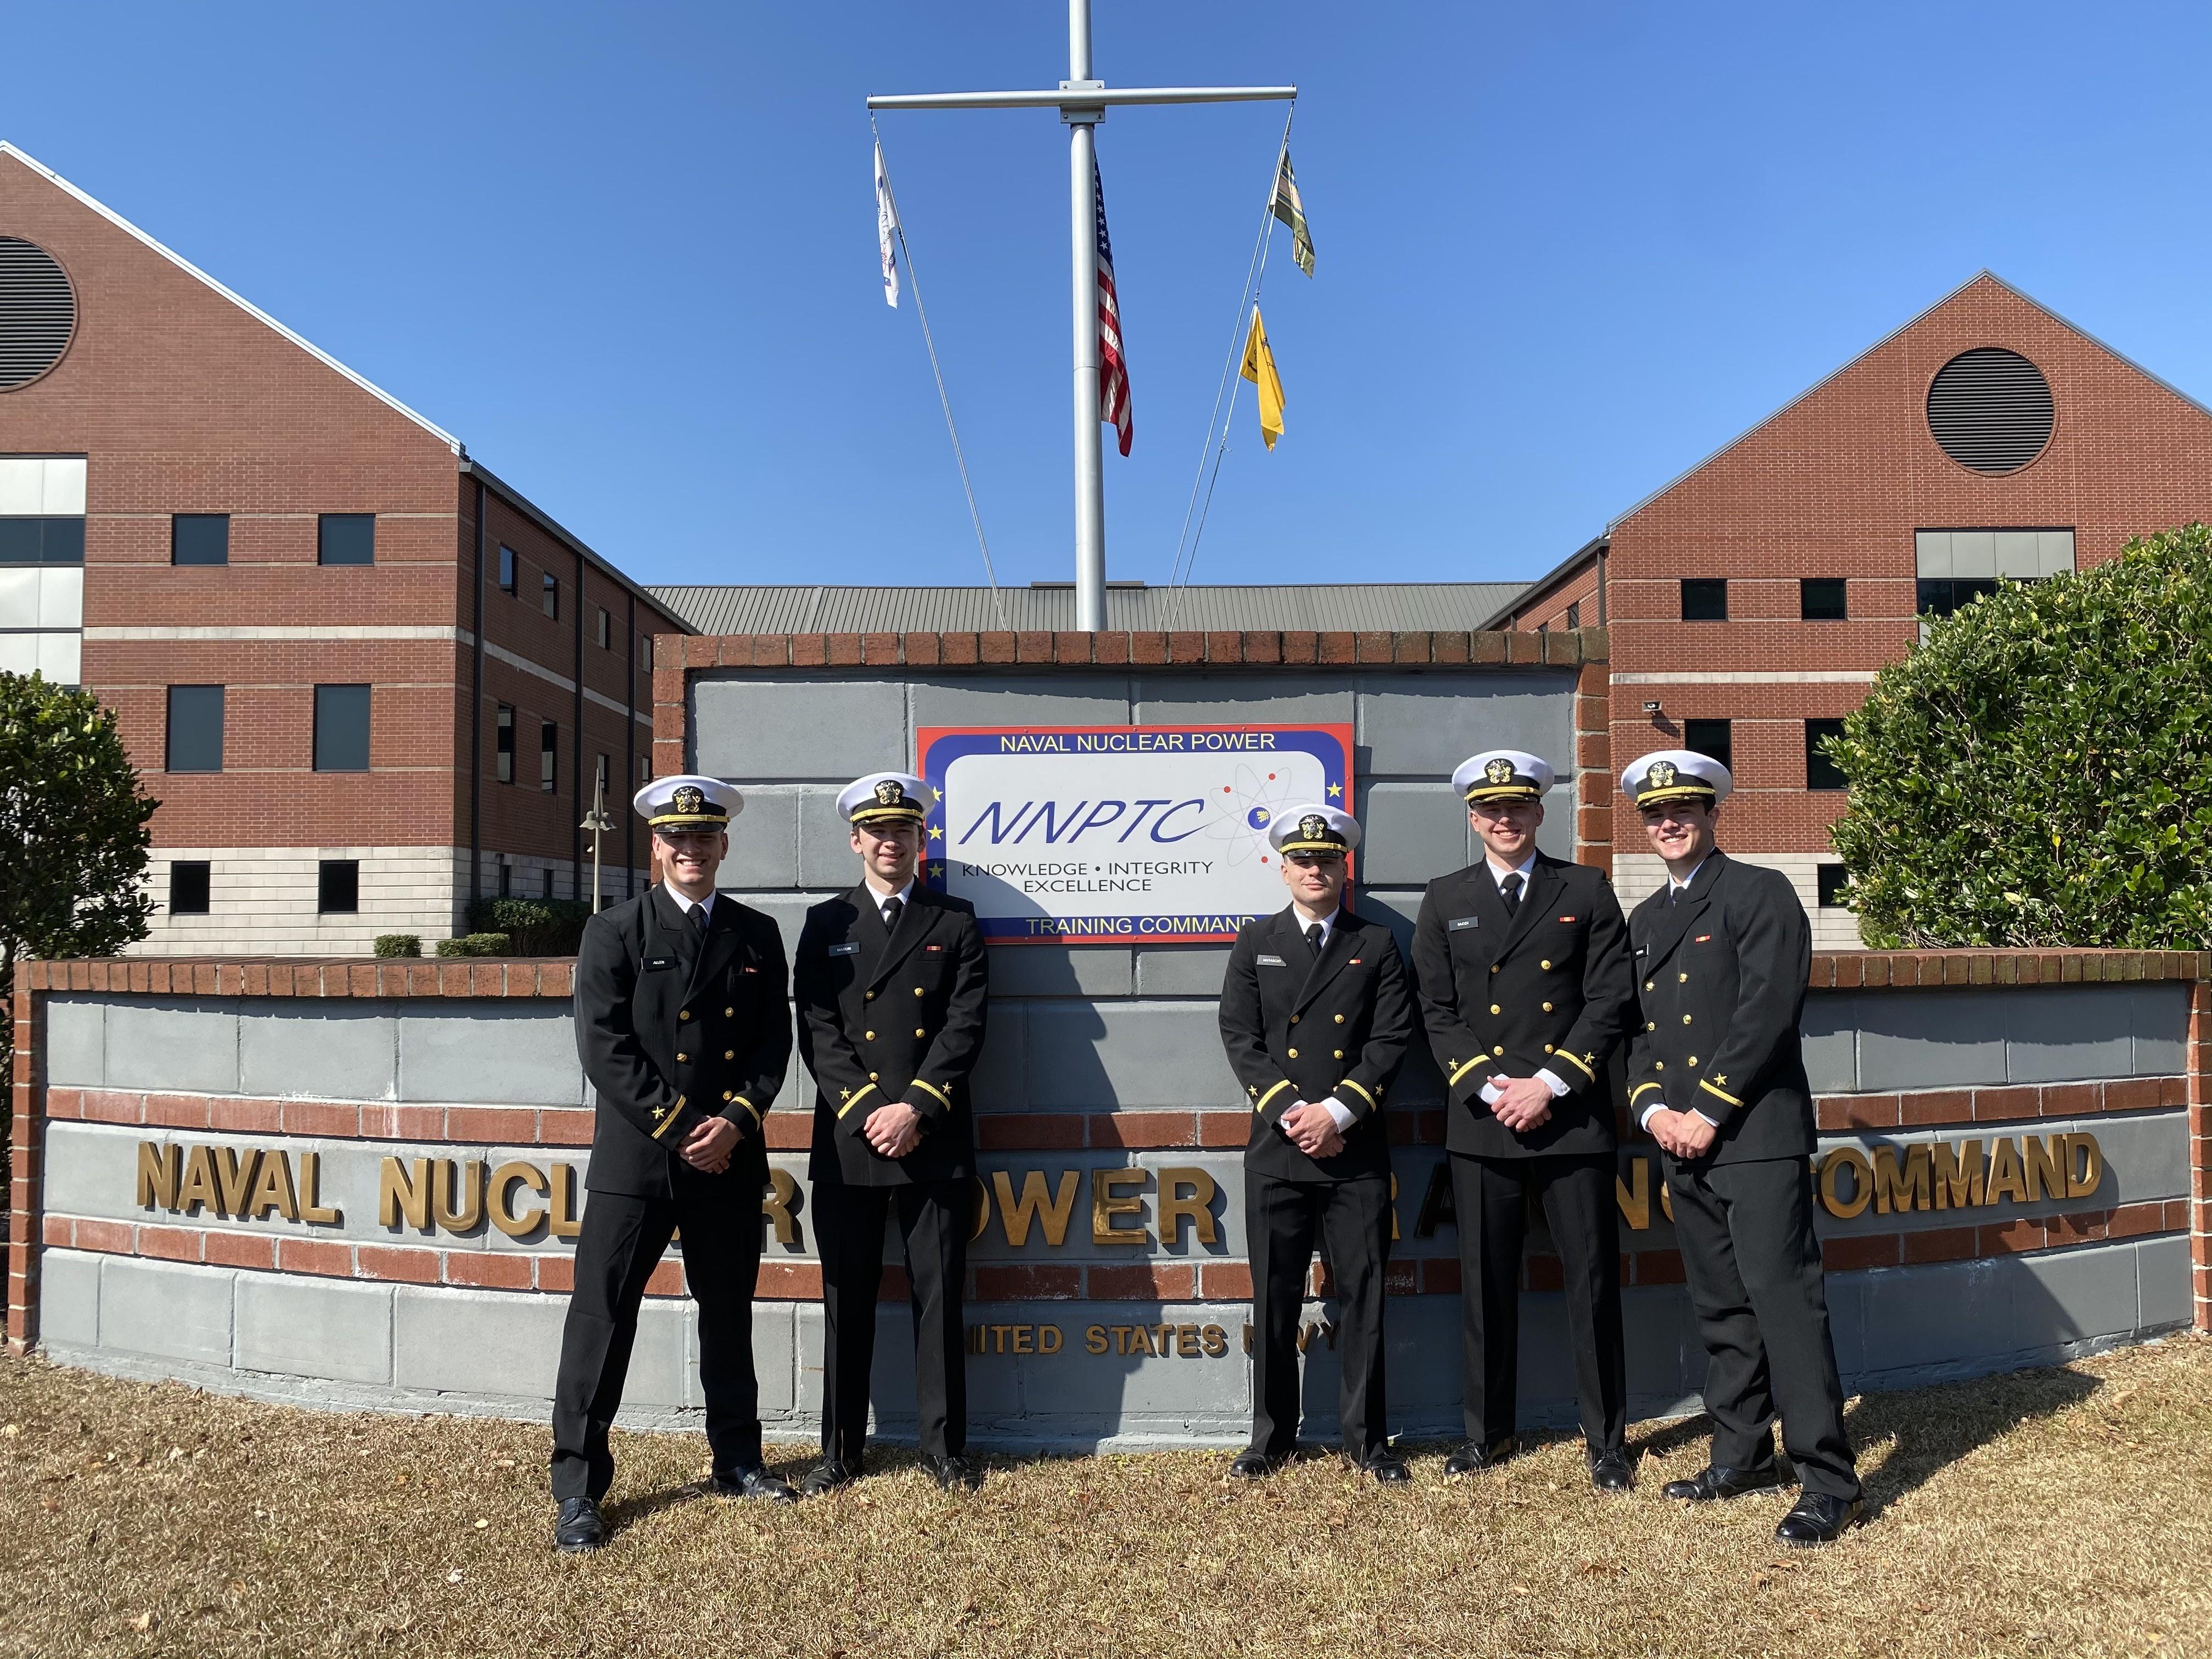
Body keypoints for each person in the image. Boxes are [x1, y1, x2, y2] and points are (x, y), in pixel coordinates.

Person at [1620, 749, 1863, 1546]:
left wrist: (1707, 1113)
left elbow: (1766, 1012)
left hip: (1753, 1136)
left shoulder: (1760, 892)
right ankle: (1740, 1453)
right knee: (1720, 1306)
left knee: (1784, 1304)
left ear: (1712, 813)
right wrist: (1653, 1108)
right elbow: (1642, 1036)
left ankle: (1827, 1478)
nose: (1669, 823)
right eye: (1656, 815)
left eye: (1683, 809)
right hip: (1680, 1144)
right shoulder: (1648, 920)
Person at [552, 775, 796, 1553]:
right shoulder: (615, 931)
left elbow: (771, 1046)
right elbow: (605, 1048)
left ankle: (738, 1460)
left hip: (727, 1157)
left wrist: (735, 1121)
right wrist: (680, 1122)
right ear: (657, 847)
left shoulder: (758, 935)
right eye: (677, 839)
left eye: (705, 838)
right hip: (639, 1159)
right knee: (602, 1316)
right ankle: (579, 1488)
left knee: (728, 1313)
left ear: (724, 845)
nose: (691, 850)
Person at [1410, 750, 1637, 1491]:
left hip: (1570, 1119)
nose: (1505, 820)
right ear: (1473, 819)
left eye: (1518, 808)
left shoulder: (1586, 888)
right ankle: (1487, 1435)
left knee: (1593, 1283)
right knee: (1485, 1285)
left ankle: (1606, 1441)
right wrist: (1489, 1088)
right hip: (1483, 1122)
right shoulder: (1445, 898)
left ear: (1541, 813)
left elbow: (1609, 1001)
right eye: (1490, 810)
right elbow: (1437, 1013)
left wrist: (1548, 1084)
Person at [794, 771, 990, 1494]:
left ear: (919, 840)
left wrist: (914, 1108)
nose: (890, 842)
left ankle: (943, 1449)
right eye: (877, 832)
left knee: (939, 1298)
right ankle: (840, 1453)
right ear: (856, 841)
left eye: (902, 831)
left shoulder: (955, 921)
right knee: (847, 1298)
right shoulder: (825, 924)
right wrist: (866, 1109)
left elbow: (965, 1026)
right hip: (849, 1139)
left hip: (930, 1134)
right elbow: (817, 1028)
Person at [1217, 805, 1415, 1481]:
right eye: (1303, 860)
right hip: (1277, 1151)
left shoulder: (1378, 944)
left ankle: (1369, 1443)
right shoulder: (1256, 941)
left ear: (1343, 867)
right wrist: (1294, 1114)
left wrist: (1336, 1113)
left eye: (1326, 860)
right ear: (1284, 868)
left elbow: (1390, 1041)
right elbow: (1241, 1039)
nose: (1314, 870)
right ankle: (1269, 1439)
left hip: (1353, 1151)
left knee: (1365, 1298)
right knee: (1274, 1300)